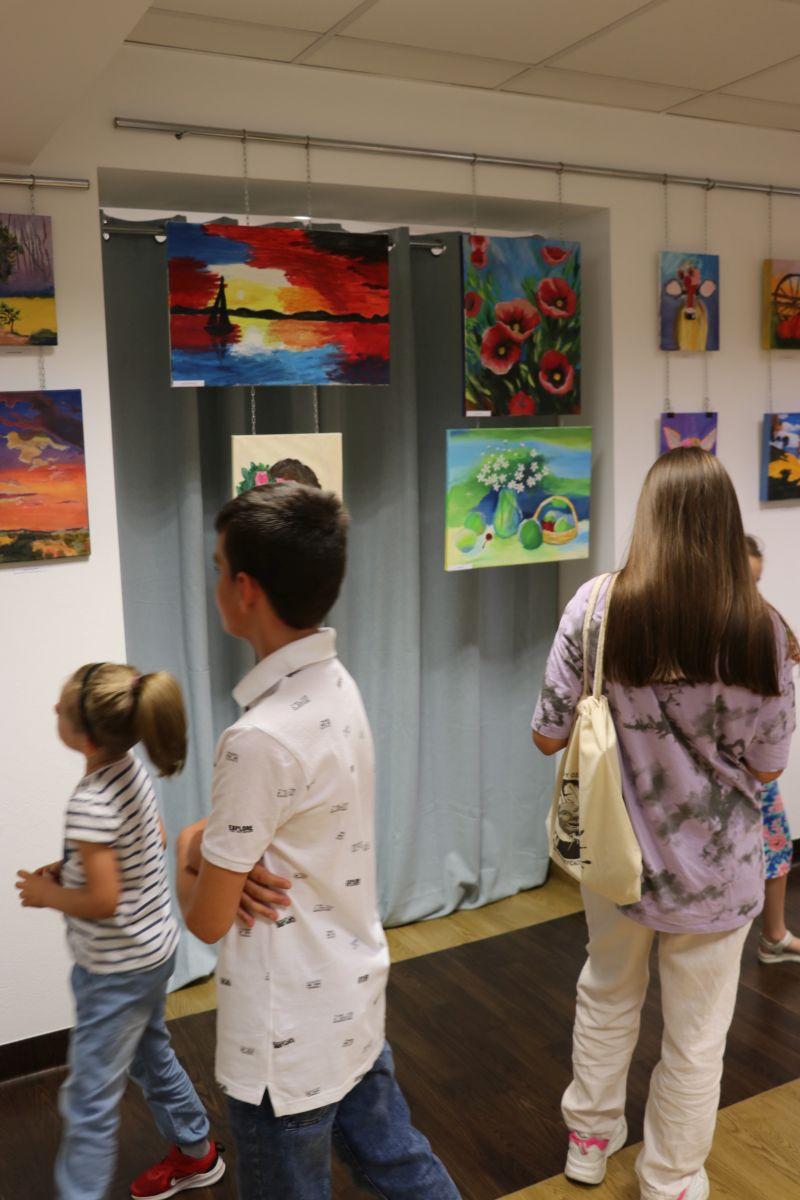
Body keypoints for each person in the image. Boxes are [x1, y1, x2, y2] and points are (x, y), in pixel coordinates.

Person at [174, 483, 460, 1200]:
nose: (216, 582)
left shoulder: (257, 738)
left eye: (218, 568)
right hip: (349, 997)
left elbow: (206, 920)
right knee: (401, 1169)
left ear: (245, 589)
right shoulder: (335, 684)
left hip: (282, 1043)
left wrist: (188, 847)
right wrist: (220, 847)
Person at [532, 449, 795, 1200]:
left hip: (614, 856)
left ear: (649, 517)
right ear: (725, 526)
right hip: (718, 873)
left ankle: (589, 1144)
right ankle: (671, 1178)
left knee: (607, 990)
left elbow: (548, 735)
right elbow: (768, 767)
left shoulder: (596, 607)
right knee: (697, 1034)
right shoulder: (764, 631)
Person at [15, 663, 225, 1200]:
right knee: (150, 1055)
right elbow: (151, 840)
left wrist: (46, 894)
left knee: (88, 1101)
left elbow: (104, 901)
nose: (53, 710)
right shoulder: (130, 770)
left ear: (85, 737)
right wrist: (73, 870)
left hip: (115, 971)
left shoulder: (89, 802)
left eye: (61, 708)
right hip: (153, 953)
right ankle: (196, 1151)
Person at [746, 534, 800, 964]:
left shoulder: (763, 625)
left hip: (754, 768)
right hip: (720, 772)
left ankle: (774, 936)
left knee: (776, 842)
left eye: (756, 583)